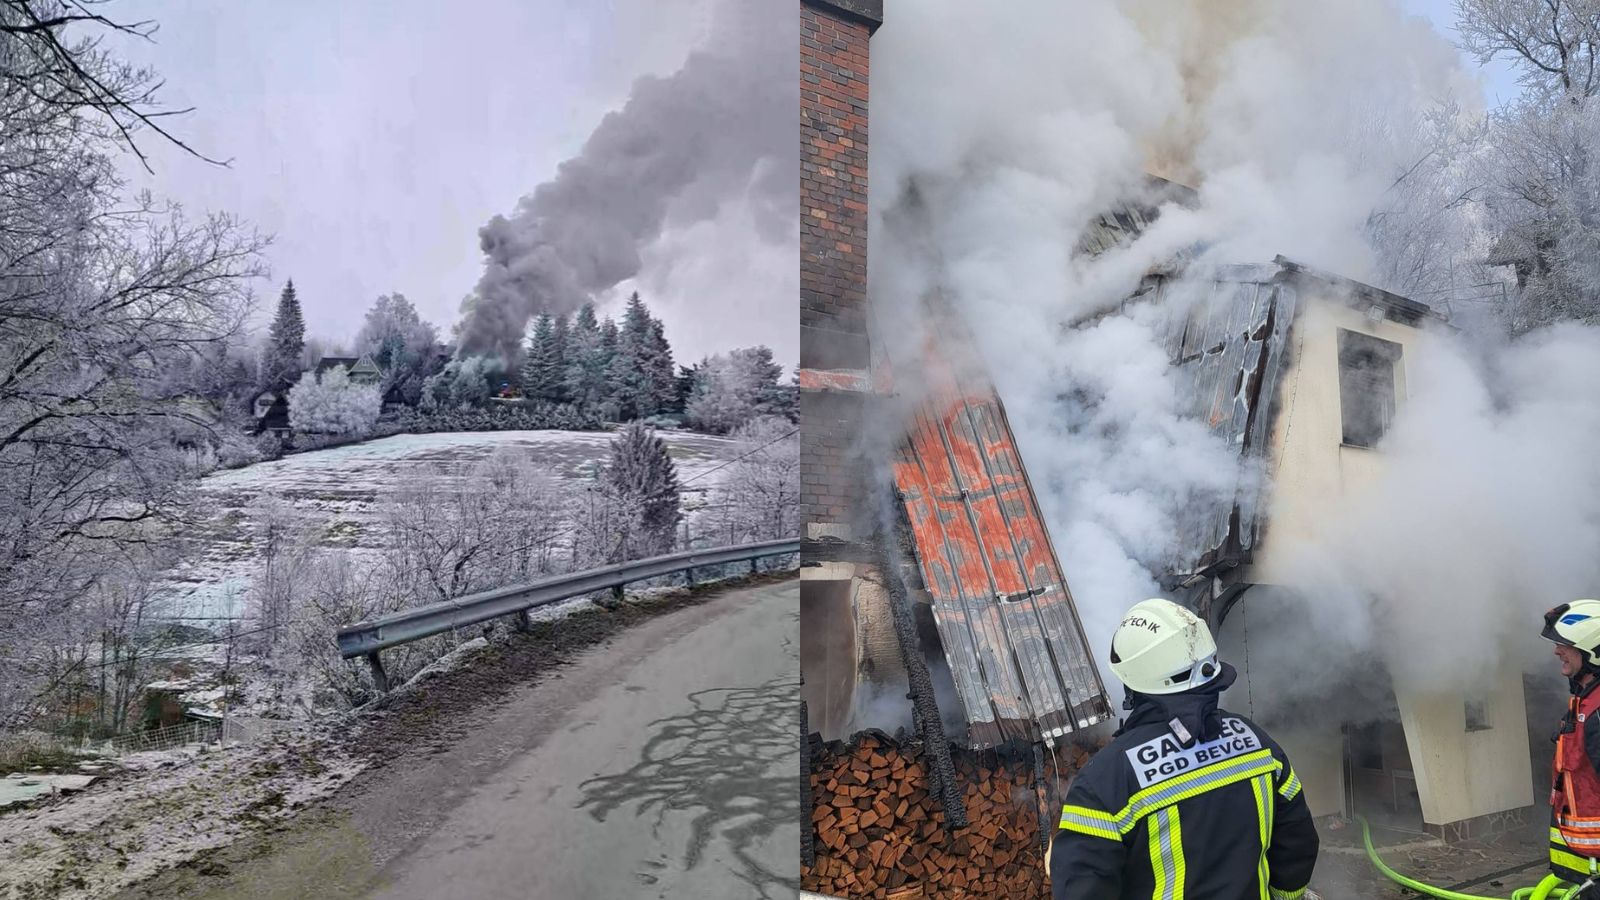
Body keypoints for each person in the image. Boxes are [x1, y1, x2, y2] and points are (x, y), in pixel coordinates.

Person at [1048, 598, 1320, 899]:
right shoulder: (1258, 742)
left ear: (1131, 682)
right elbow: (1297, 845)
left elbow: (1083, 889)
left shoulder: (1104, 780)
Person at [1542, 600, 1600, 889]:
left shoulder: (1598, 710)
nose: (1556, 650)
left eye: (1565, 643)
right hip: (1588, 869)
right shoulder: (1585, 702)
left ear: (1592, 650)